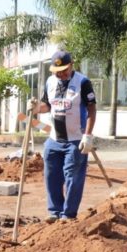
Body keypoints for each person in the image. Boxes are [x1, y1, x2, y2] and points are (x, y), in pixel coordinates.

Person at [31, 50, 97, 221]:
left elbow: (91, 109)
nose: (61, 74)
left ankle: (68, 214)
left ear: (71, 66)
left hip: (75, 139)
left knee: (73, 177)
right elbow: (47, 106)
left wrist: (88, 135)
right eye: (57, 71)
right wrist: (35, 107)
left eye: (64, 70)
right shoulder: (50, 82)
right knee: (51, 175)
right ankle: (55, 211)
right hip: (54, 139)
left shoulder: (83, 82)